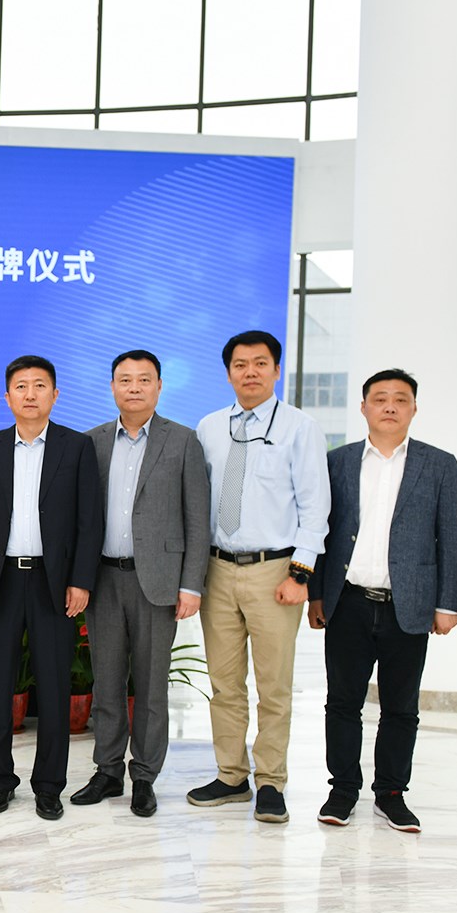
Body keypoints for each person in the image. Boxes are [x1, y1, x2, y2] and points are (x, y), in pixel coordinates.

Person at [307, 369, 457, 833]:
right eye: (380, 398)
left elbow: (450, 540)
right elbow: (320, 532)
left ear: (414, 408)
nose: (390, 406)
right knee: (342, 703)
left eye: (400, 399)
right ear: (364, 408)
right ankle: (342, 789)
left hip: (408, 605)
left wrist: (447, 604)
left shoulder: (439, 465)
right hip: (347, 602)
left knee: (401, 707)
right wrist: (316, 594)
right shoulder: (337, 462)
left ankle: (391, 794)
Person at [191, 330, 330, 824]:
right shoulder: (208, 427)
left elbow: (315, 506)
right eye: (240, 364)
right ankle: (231, 775)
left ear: (276, 370)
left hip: (276, 570)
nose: (250, 372)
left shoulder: (300, 427)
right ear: (228, 372)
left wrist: (300, 573)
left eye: (260, 363)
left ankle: (271, 781)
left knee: (274, 685)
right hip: (216, 569)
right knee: (224, 683)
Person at [0, 355, 101, 821]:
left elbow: (89, 522)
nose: (30, 394)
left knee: (55, 687)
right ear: (7, 397)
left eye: (40, 385)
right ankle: (0, 780)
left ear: (55, 395)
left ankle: (49, 786)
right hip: (0, 582)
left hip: (52, 584)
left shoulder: (76, 448)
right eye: (21, 386)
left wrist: (81, 580)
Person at [73, 350, 210, 819]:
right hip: (103, 579)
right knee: (107, 681)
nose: (134, 387)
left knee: (152, 687)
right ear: (112, 386)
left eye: (144, 379)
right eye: (125, 379)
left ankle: (145, 776)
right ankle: (108, 770)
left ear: (159, 386)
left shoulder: (184, 441)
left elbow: (197, 520)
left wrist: (191, 585)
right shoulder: (91, 442)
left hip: (159, 582)